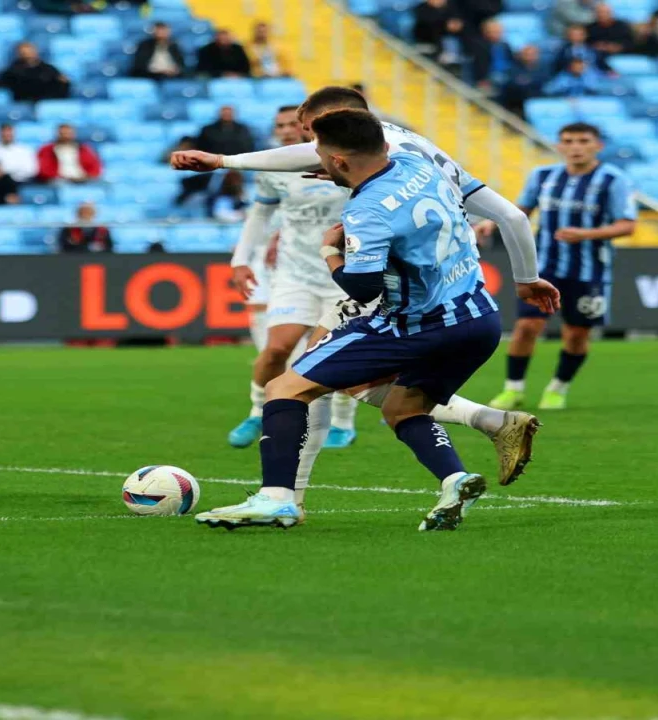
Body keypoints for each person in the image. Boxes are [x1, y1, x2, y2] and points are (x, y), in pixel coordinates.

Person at [171, 86, 555, 490]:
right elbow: (511, 216)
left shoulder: (367, 175)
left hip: (385, 288)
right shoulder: (412, 150)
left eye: (312, 135)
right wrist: (526, 279)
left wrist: (221, 160)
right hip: (455, 290)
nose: (309, 144)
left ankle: (285, 494)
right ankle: (487, 427)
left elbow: (364, 275)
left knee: (301, 378)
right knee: (366, 387)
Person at [222, 107, 361, 454]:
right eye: (278, 125)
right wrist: (240, 261)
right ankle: (257, 411)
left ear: (309, 129)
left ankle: (343, 423)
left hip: (342, 274)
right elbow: (260, 215)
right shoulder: (272, 170)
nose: (284, 131)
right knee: (277, 349)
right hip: (294, 273)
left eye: (291, 125)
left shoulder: (344, 160)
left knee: (339, 353)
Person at [488, 123, 636, 411]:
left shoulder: (613, 179)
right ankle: (513, 389)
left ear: (598, 146)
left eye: (583, 140)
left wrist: (586, 235)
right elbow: (520, 213)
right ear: (559, 146)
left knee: (577, 333)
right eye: (568, 141)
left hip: (589, 270)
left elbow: (627, 225)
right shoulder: (542, 176)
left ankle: (558, 388)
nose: (575, 147)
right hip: (542, 266)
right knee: (527, 325)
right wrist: (488, 223)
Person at [176, 106, 257, 205]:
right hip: (212, 165)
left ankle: (238, 201)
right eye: (224, 113)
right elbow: (201, 148)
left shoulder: (243, 130)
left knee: (234, 176)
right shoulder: (208, 130)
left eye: (229, 113)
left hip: (237, 165)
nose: (226, 116)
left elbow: (249, 147)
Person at [0, 42, 69, 103]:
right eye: (23, 52)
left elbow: (62, 84)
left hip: (44, 102)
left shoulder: (48, 69)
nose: (27, 54)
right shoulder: (13, 69)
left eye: (29, 51)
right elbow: (0, 81)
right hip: (21, 102)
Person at [37, 124, 102, 183]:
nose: (66, 136)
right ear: (58, 134)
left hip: (82, 179)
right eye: (63, 134)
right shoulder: (47, 150)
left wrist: (87, 176)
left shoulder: (84, 149)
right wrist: (58, 176)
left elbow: (95, 166)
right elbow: (44, 169)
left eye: (68, 133)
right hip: (59, 179)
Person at [500, 45, 548, 117]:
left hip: (538, 102)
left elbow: (544, 84)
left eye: (532, 54)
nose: (529, 57)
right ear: (521, 55)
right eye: (526, 54)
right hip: (517, 103)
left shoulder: (544, 69)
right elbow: (511, 84)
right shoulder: (513, 69)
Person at [469, 19, 516, 92]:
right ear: (485, 32)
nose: (496, 34)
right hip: (488, 78)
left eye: (498, 31)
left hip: (507, 76)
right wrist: (482, 79)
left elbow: (512, 62)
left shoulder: (505, 45)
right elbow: (478, 66)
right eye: (493, 31)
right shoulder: (478, 45)